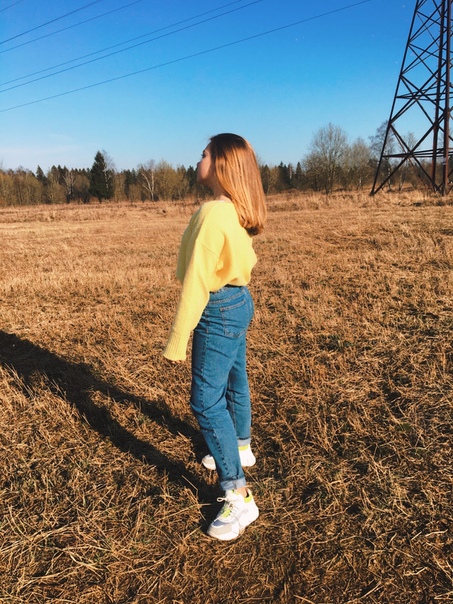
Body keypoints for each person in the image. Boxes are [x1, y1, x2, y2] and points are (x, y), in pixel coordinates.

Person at [163, 133, 267, 541]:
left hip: (218, 307)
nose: (198, 159)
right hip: (239, 301)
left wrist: (178, 338)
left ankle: (239, 496)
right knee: (236, 379)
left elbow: (196, 282)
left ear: (221, 166)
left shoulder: (212, 213)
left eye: (204, 154)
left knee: (205, 400)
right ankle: (241, 446)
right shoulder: (236, 210)